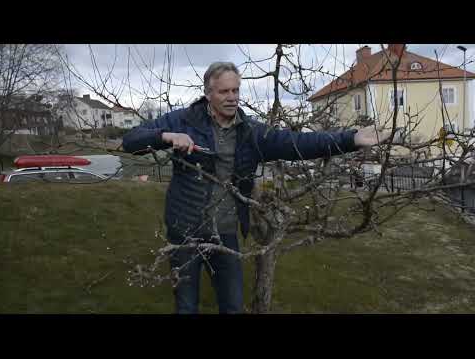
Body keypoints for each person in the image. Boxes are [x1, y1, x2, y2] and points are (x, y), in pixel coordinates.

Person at [122, 61, 390, 314]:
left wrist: (350, 139)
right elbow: (131, 140)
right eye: (224, 91)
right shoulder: (182, 120)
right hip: (185, 228)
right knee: (186, 305)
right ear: (208, 93)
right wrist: (167, 136)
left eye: (235, 90)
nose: (231, 97)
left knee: (233, 304)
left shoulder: (250, 133)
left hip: (225, 231)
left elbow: (297, 143)